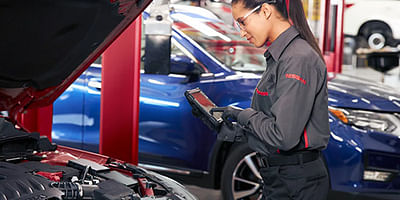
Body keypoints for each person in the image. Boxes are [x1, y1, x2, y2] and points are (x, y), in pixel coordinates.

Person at [210, 0, 331, 199]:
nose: (241, 32)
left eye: (242, 22)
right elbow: (274, 124)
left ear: (265, 11)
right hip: (281, 178)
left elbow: (283, 136)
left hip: (295, 184)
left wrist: (246, 116)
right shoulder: (282, 56)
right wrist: (238, 129)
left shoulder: (296, 59)